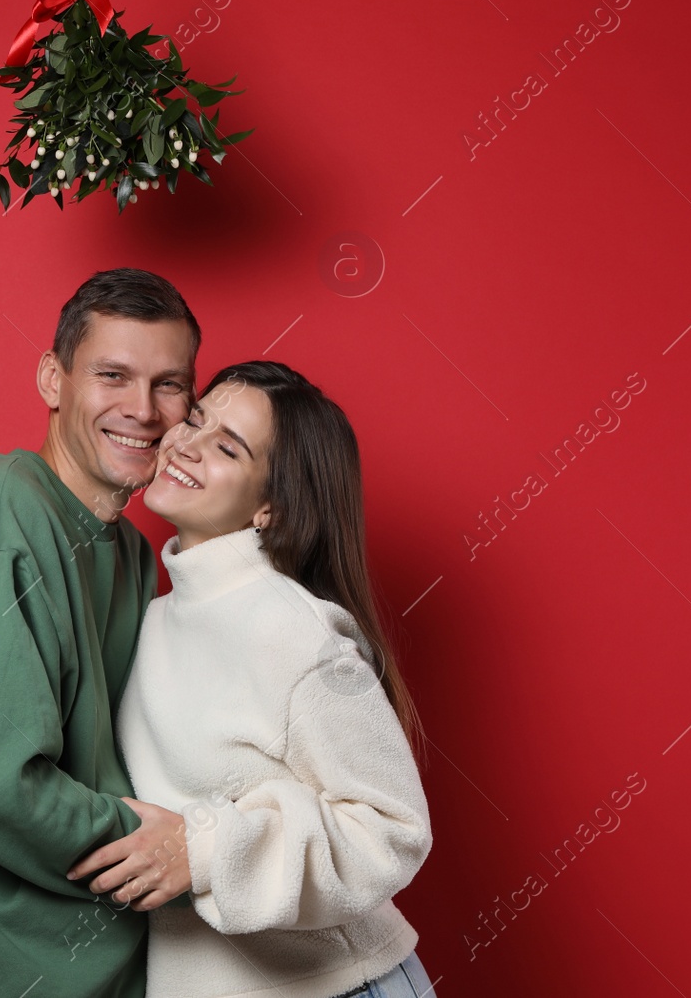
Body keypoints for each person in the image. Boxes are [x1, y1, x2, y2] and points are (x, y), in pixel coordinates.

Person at [0, 268, 206, 997]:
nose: (142, 409)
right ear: (53, 379)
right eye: (112, 375)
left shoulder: (132, 552)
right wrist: (173, 853)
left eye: (169, 385)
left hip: (107, 969)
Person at [67, 360, 437, 998]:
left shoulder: (291, 631)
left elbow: (391, 829)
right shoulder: (153, 620)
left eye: (228, 448)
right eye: (197, 419)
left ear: (269, 507)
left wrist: (204, 849)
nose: (187, 444)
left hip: (339, 987)